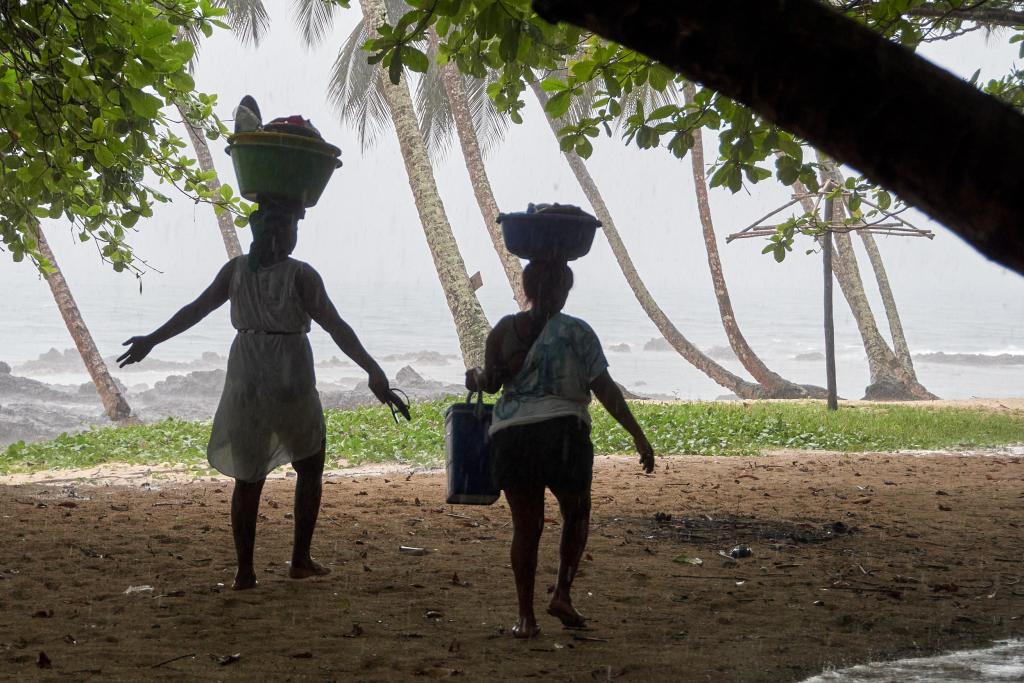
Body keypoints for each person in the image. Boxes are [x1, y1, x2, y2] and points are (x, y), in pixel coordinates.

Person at [118, 201, 409, 590]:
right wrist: (373, 369)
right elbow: (336, 326)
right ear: (281, 234)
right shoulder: (301, 275)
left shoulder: (236, 271)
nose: (294, 237)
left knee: (248, 477)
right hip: (289, 376)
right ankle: (300, 559)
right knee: (310, 466)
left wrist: (152, 340)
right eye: (291, 230)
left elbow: (195, 310)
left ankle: (245, 572)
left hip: (247, 378)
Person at [466, 259, 655, 638]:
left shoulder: (504, 330)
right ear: (563, 291)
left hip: (512, 438)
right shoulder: (577, 332)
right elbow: (604, 388)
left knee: (526, 527)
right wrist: (637, 433)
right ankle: (563, 594)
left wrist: (476, 377)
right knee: (577, 512)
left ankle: (525, 618)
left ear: (528, 289)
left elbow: (489, 385)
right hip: (563, 437)